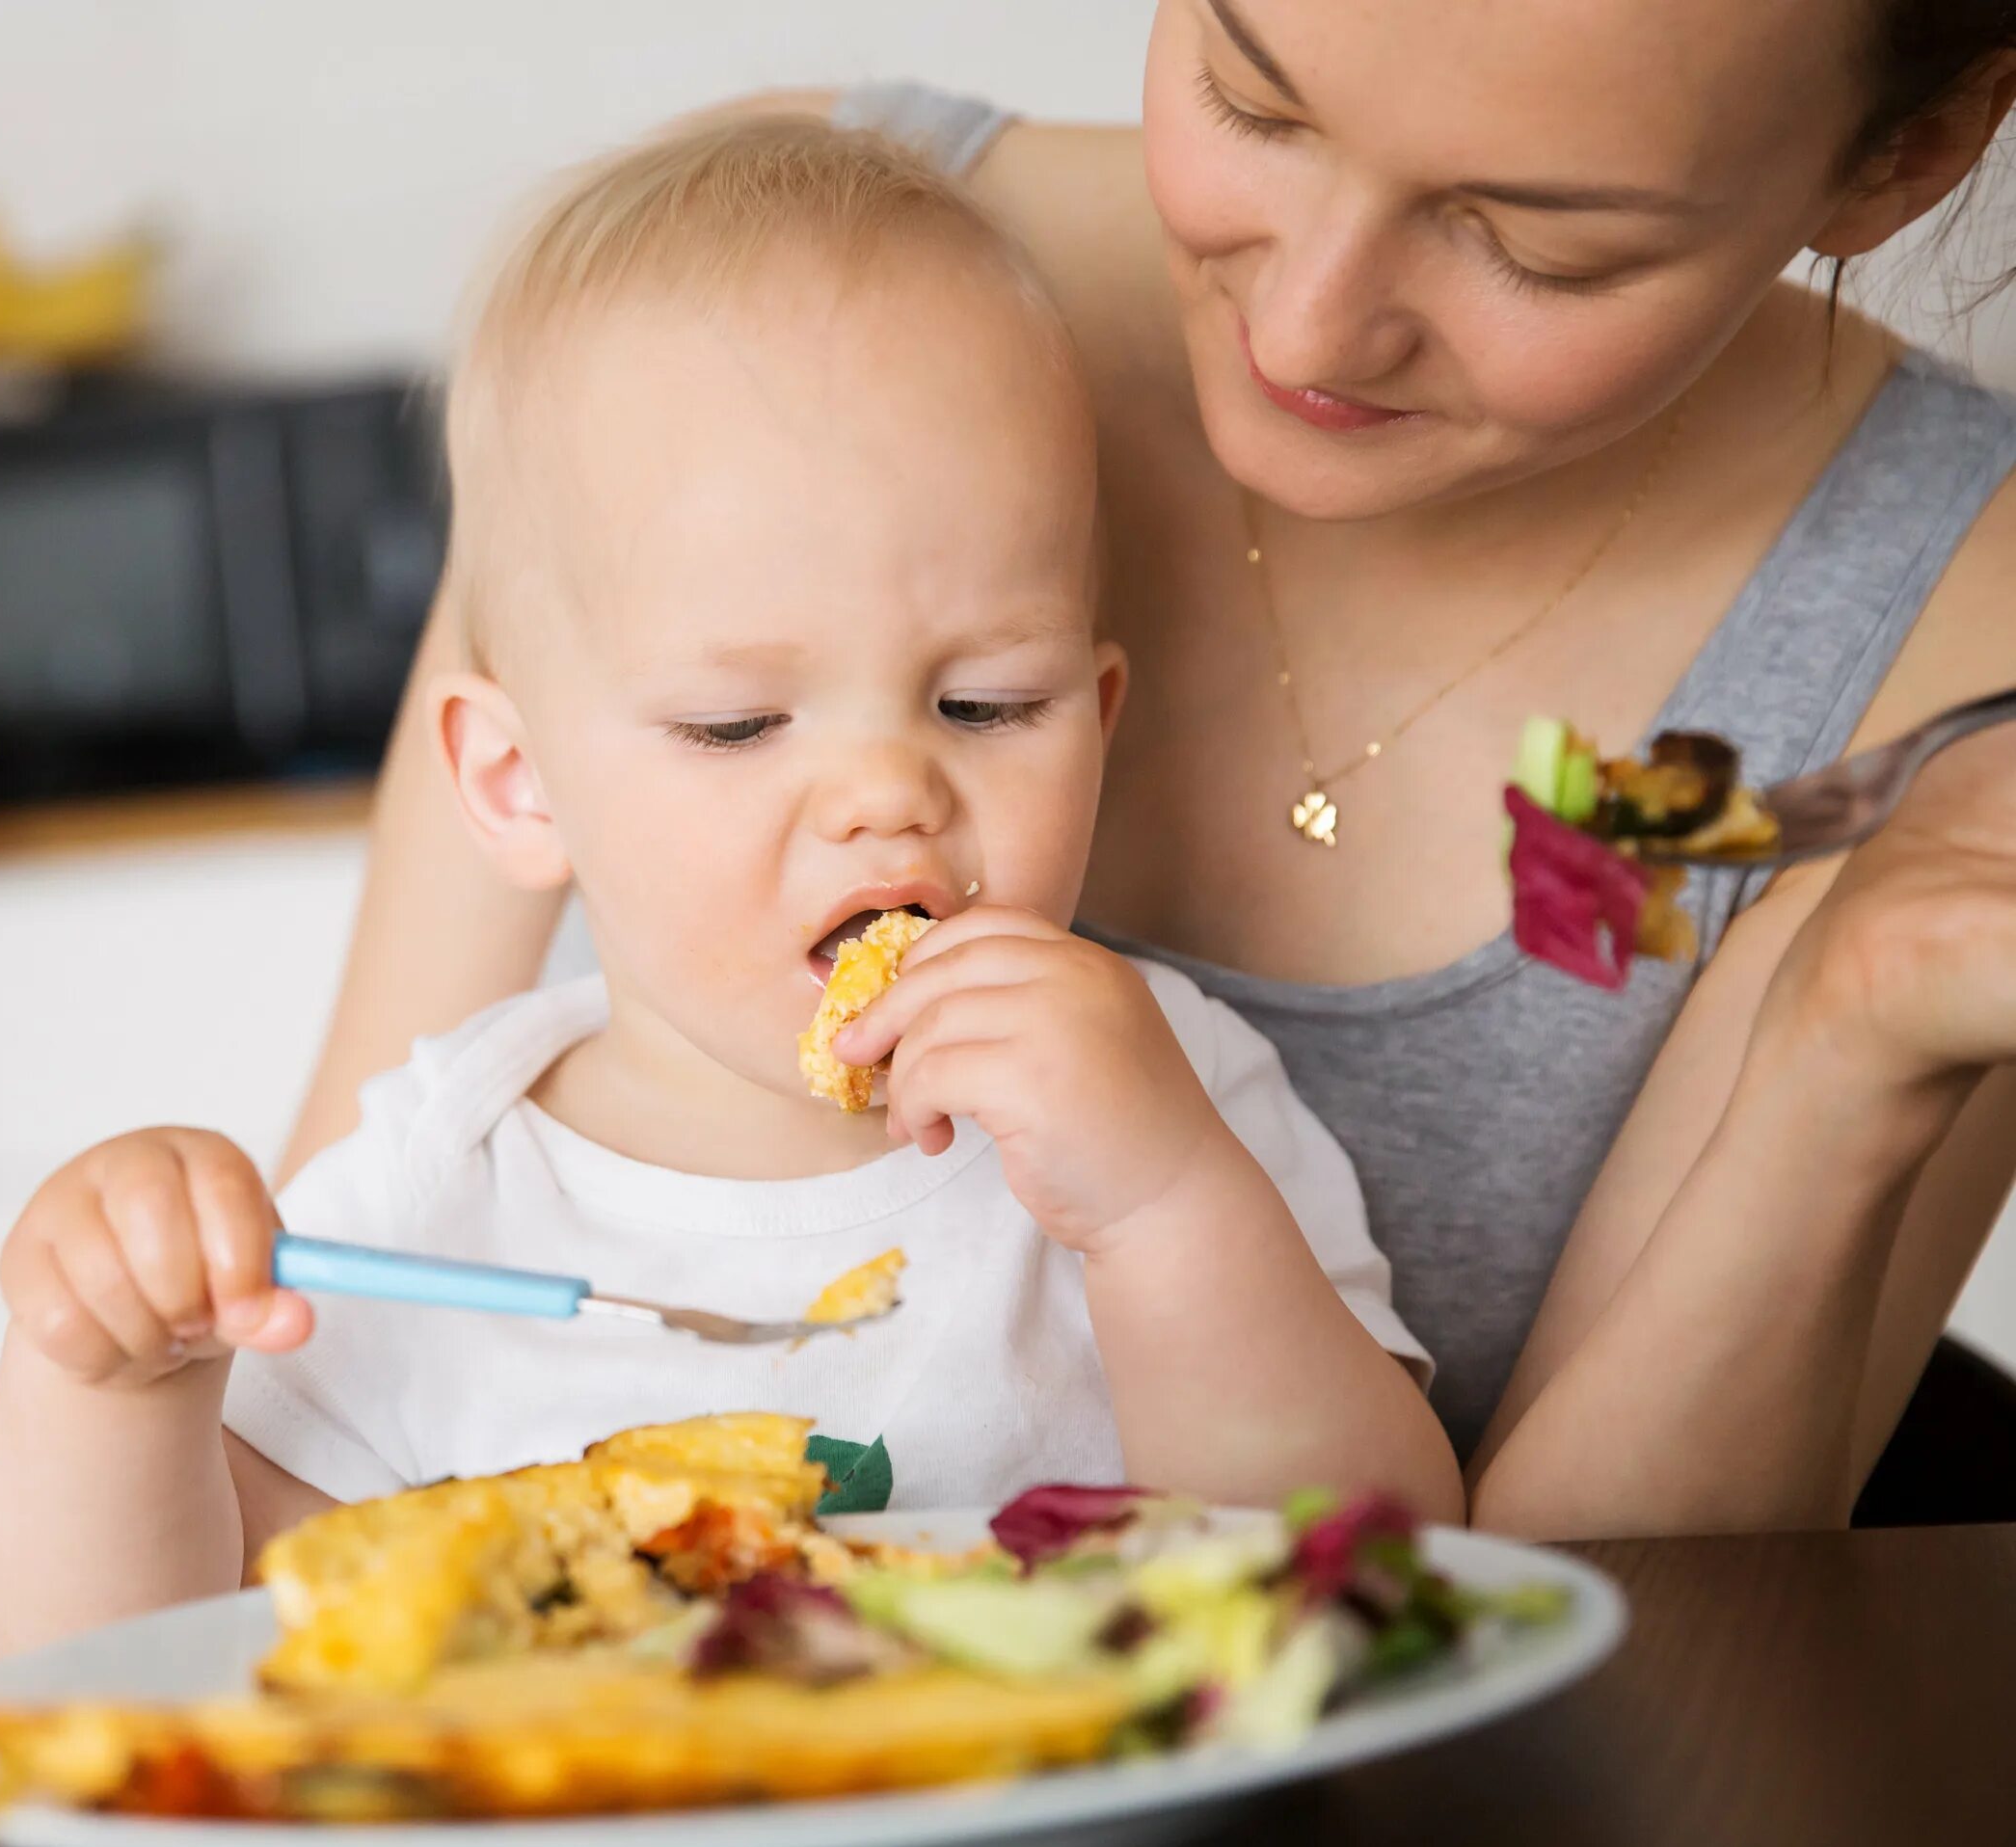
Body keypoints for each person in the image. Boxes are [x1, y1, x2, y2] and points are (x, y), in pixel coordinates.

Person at [283, 2, 2016, 1543]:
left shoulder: (1964, 619)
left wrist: (1845, 1055)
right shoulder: (730, 290)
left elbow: (1553, 1644)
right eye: (1254, 97)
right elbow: (296, 1368)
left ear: (1909, 156)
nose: (1313, 325)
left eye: (1540, 245)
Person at [0, 120, 1461, 1657]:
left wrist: (1164, 1210)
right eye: (739, 725)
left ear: (1103, 721)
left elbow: (1388, 1568)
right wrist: (112, 1389)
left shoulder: (1168, 1091)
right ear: (517, 783)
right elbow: (140, 1651)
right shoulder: (446, 1185)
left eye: (987, 705)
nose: (889, 792)